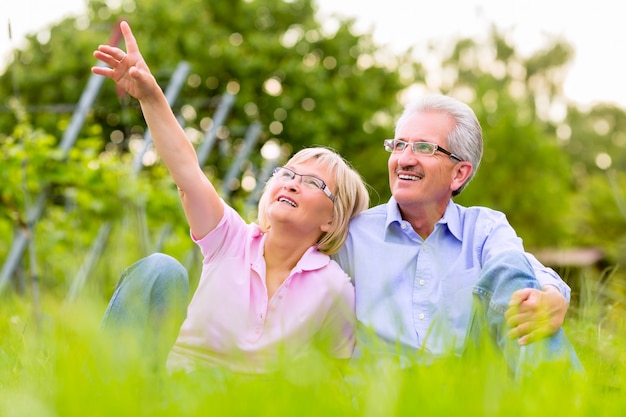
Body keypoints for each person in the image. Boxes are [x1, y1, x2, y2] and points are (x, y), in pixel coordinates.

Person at [93, 21, 370, 374]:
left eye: (313, 183)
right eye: (287, 174)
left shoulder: (333, 289)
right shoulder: (231, 240)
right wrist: (150, 96)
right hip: (175, 395)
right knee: (161, 269)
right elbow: (187, 175)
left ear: (331, 219)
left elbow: (334, 380)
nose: (291, 184)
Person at [333, 94, 582, 377]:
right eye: (399, 145)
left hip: (468, 391)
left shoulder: (484, 227)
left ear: (459, 174)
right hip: (381, 396)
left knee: (525, 296)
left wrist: (550, 293)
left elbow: (516, 267)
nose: (404, 159)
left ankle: (559, 401)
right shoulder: (353, 234)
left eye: (424, 148)